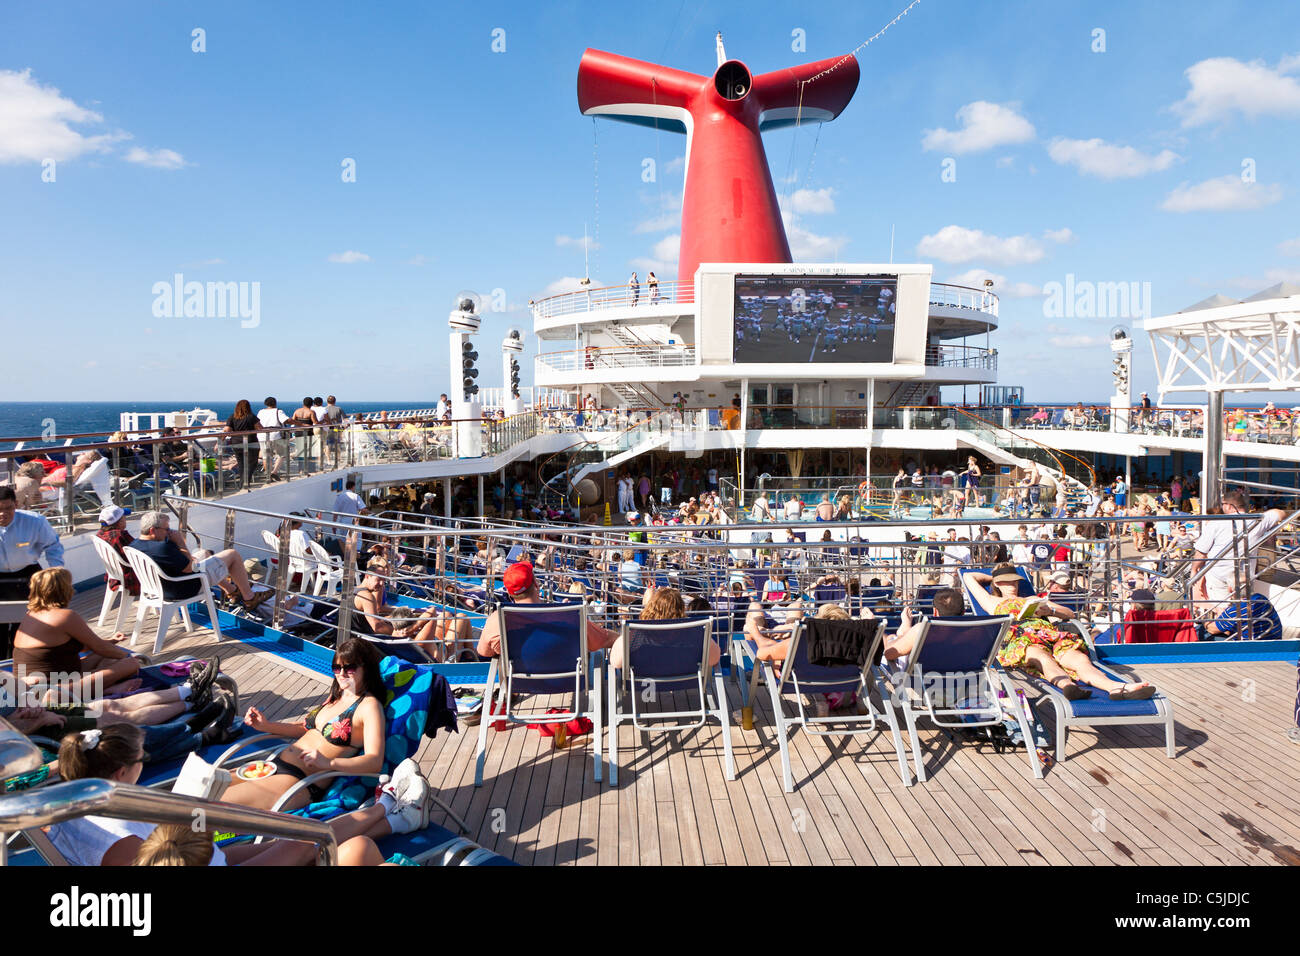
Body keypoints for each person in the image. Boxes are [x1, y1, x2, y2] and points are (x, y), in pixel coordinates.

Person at [46, 722, 432, 866]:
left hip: (205, 858)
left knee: (295, 835)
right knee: (310, 841)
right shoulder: (118, 839)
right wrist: (194, 822)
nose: (145, 761)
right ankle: (390, 810)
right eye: (141, 758)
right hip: (198, 860)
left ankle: (393, 814)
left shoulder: (69, 805)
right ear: (120, 772)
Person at [224, 637, 387, 811]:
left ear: (367, 669)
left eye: (350, 668)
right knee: (205, 784)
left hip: (299, 780)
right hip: (274, 765)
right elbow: (304, 728)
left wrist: (329, 764)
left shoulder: (369, 707)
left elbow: (374, 761)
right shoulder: (337, 695)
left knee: (212, 804)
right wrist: (266, 725)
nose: (341, 673)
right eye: (337, 667)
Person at [966, 564, 1155, 700]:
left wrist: (1050, 611)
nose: (1012, 585)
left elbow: (1070, 613)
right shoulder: (992, 602)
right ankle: (1068, 686)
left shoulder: (1032, 598)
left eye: (1014, 581)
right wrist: (994, 576)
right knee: (1042, 658)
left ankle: (1117, 688)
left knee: (1080, 659)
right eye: (1006, 582)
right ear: (997, 585)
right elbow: (969, 577)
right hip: (1020, 640)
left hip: (1050, 635)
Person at [127, 510, 271, 612]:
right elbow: (190, 567)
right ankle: (249, 597)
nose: (169, 532)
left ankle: (232, 591)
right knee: (232, 555)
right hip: (184, 587)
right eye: (166, 529)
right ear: (153, 530)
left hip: (160, 586)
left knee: (204, 553)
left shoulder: (134, 545)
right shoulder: (161, 547)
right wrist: (180, 543)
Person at [476, 562, 614, 658]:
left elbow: (484, 652)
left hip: (521, 682)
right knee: (597, 656)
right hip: (568, 681)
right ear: (536, 584)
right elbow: (606, 639)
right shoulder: (567, 615)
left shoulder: (496, 620)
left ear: (510, 592)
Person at [1192, 490, 1288, 607]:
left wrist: (1194, 572)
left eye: (1223, 504)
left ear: (1228, 506)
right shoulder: (1256, 520)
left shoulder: (1216, 522)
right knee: (1243, 610)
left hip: (1219, 575)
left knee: (1222, 612)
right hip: (1244, 576)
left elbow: (1201, 553)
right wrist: (1264, 514)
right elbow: (1281, 513)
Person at [0, 485, 65, 658]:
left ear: (17, 504)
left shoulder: (35, 521)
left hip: (28, 575)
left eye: (8, 508)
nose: (2, 514)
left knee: (27, 626)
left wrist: (55, 574)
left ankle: (21, 665)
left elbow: (53, 546)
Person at [610, 586, 718, 670]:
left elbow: (616, 662)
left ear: (651, 606)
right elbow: (714, 659)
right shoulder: (693, 633)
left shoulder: (636, 633)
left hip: (644, 681)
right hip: (686, 679)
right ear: (681, 609)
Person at [95, 505, 140, 636]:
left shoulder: (100, 534)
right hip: (129, 575)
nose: (126, 520)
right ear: (119, 522)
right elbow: (137, 551)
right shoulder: (120, 535)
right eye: (124, 517)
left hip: (114, 574)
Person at [222, 399, 261, 487]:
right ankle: (245, 481)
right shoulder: (251, 417)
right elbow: (259, 428)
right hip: (251, 443)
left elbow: (227, 430)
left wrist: (220, 441)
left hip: (236, 443)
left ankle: (242, 482)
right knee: (252, 463)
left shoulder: (232, 417)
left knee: (241, 463)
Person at [256, 397, 289, 481]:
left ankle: (268, 475)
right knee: (282, 454)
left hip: (262, 435)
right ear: (275, 403)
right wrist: (299, 423)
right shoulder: (278, 411)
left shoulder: (261, 412)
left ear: (265, 404)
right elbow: (286, 420)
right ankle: (274, 472)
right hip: (275, 435)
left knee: (266, 456)